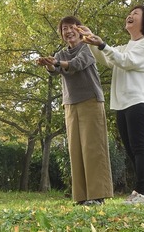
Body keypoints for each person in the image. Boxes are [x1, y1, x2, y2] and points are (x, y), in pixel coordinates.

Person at [79, 5, 144, 205]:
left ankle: (140, 193)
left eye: (135, 14)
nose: (130, 15)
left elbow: (125, 61)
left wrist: (103, 44)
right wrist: (91, 41)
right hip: (123, 103)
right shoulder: (125, 46)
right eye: (130, 13)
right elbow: (108, 59)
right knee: (132, 149)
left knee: (139, 146)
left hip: (139, 100)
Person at [37, 16, 113, 206]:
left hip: (91, 100)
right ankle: (81, 197)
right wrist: (49, 65)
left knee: (93, 148)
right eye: (64, 29)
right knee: (76, 149)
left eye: (72, 27)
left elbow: (76, 65)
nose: (68, 31)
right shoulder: (61, 53)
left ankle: (97, 196)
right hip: (70, 103)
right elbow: (56, 70)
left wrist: (56, 64)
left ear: (79, 30)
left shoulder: (88, 48)